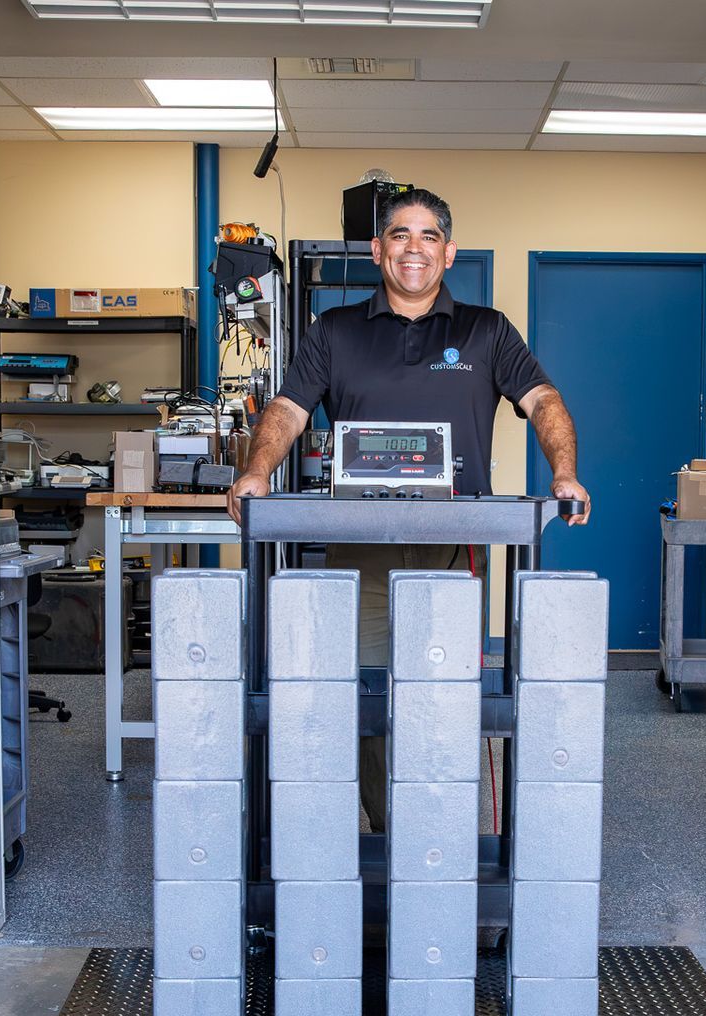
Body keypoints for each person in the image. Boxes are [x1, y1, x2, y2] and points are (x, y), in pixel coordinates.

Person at [226, 187, 590, 828]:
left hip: (454, 547)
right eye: (399, 234)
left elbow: (544, 401)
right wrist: (256, 471)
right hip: (358, 548)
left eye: (427, 236)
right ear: (377, 249)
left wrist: (565, 473)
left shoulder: (486, 329)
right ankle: (389, 827)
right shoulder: (335, 331)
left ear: (448, 253)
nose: (413, 248)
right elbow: (287, 409)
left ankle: (440, 826)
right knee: (364, 691)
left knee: (443, 692)